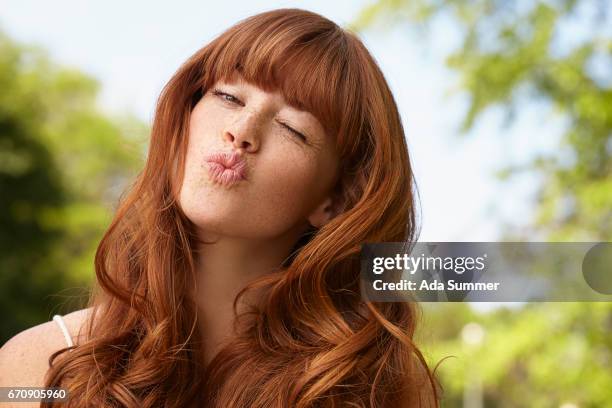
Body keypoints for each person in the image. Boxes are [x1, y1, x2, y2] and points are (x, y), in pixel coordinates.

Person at [0, 8, 441, 407]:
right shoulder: (36, 369)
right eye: (228, 97)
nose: (241, 130)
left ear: (334, 200)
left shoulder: (377, 388)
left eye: (292, 127)